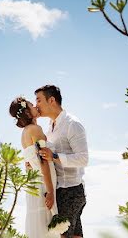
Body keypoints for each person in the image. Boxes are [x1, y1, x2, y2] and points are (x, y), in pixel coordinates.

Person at [34, 85, 88, 238]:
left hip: (71, 190)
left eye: (38, 100)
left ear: (51, 100)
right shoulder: (49, 127)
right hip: (61, 191)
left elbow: (83, 158)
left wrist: (54, 156)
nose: (36, 105)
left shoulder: (73, 124)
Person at [9, 96, 58, 238]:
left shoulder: (25, 132)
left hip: (34, 184)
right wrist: (50, 192)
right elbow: (43, 161)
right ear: (28, 113)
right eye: (32, 105)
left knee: (40, 225)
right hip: (43, 184)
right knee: (46, 226)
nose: (36, 106)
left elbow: (31, 161)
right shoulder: (35, 129)